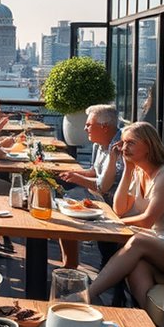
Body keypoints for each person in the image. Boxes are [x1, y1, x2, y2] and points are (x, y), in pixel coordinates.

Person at [87, 122, 164, 308]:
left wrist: (114, 224)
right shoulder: (139, 171)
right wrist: (128, 170)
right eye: (123, 143)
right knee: (137, 266)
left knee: (137, 241)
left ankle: (88, 294)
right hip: (161, 242)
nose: (124, 148)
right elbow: (120, 209)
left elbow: (147, 220)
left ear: (149, 145)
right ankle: (147, 318)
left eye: (131, 143)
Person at [57, 104, 124, 269]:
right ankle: (70, 264)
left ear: (104, 127)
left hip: (116, 204)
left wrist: (77, 178)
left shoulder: (121, 147)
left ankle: (98, 267)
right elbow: (95, 171)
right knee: (63, 204)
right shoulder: (98, 145)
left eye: (88, 125)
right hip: (100, 199)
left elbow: (105, 185)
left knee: (67, 208)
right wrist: (74, 173)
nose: (85, 128)